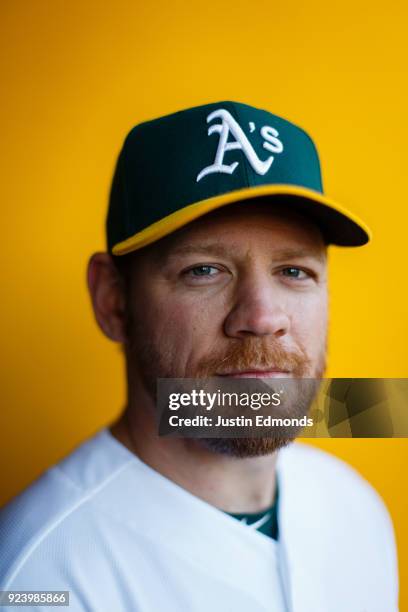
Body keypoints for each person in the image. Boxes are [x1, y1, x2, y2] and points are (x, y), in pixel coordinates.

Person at [0, 101, 399, 611]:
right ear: (113, 301)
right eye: (204, 270)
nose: (261, 316)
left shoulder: (355, 507)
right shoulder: (39, 578)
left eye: (294, 271)